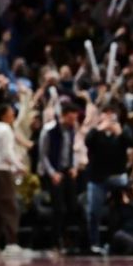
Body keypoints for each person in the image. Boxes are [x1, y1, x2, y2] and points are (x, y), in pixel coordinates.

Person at [83, 106, 132, 255]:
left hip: (117, 177)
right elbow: (88, 142)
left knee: (120, 211)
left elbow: (131, 142)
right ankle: (94, 243)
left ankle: (119, 242)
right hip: (97, 178)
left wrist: (119, 133)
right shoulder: (95, 132)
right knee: (94, 212)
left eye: (112, 115)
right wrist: (100, 129)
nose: (109, 118)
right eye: (106, 115)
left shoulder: (123, 131)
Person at [38, 104, 82, 251]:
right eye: (70, 118)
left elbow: (73, 150)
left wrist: (74, 167)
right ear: (63, 115)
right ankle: (55, 241)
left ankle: (67, 237)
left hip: (67, 170)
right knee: (58, 208)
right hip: (53, 172)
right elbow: (43, 155)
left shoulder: (71, 130)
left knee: (73, 206)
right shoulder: (49, 130)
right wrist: (52, 173)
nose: (73, 121)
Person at [0, 104, 26, 256]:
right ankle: (11, 243)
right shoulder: (6, 129)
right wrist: (20, 166)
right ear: (3, 115)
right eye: (10, 112)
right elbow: (7, 153)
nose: (13, 114)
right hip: (2, 172)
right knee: (9, 207)